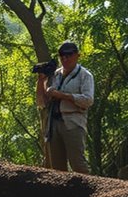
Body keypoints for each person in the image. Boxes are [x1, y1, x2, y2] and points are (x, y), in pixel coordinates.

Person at [37, 41, 94, 174]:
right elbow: (42, 102)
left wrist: (62, 95)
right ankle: (61, 194)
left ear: (77, 55)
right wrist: (41, 80)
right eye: (62, 55)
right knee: (56, 168)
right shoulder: (54, 75)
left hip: (73, 122)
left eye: (68, 55)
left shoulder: (85, 75)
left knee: (78, 163)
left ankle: (88, 190)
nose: (64, 58)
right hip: (53, 123)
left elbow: (88, 100)